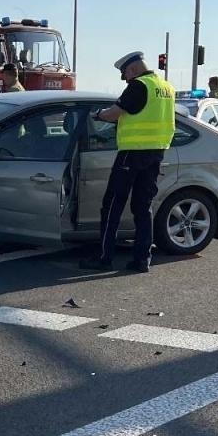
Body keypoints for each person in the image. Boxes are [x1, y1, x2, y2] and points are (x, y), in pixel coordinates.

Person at [80, 51, 176, 274]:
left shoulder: (139, 85)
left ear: (132, 69)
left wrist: (98, 115)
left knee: (112, 205)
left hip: (132, 153)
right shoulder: (165, 87)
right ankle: (142, 259)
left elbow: (114, 113)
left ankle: (104, 258)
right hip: (156, 153)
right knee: (143, 207)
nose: (125, 79)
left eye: (124, 74)